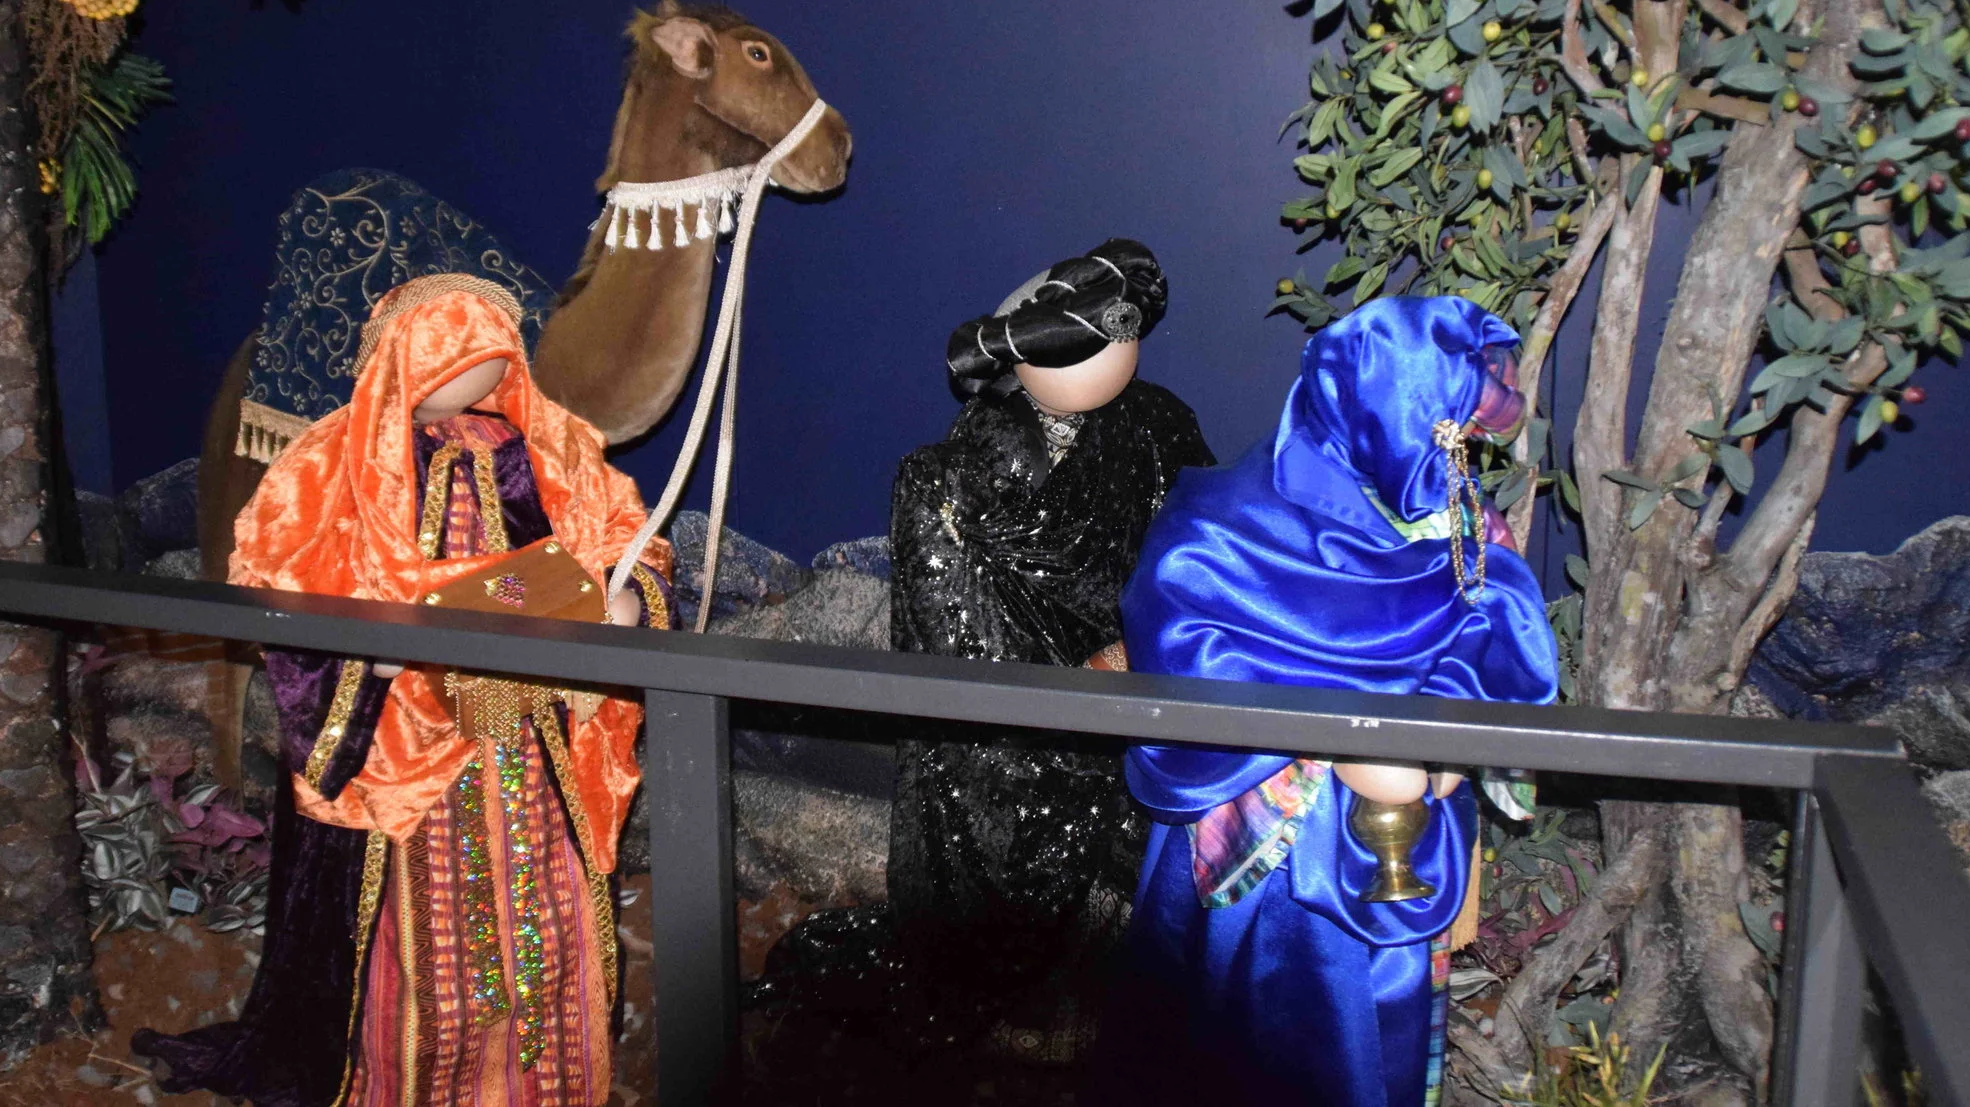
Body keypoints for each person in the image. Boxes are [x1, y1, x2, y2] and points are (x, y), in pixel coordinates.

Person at [136, 273, 674, 1107]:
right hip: (405, 757)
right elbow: (279, 571)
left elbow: (626, 537)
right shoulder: (336, 460)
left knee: (544, 917)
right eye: (446, 345)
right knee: (421, 937)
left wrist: (627, 594)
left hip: (530, 739)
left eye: (482, 344)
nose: (467, 361)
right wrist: (364, 653)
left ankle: (542, 1085)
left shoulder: (549, 445)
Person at [1092, 294, 1558, 1107]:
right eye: (1436, 436)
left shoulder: (1456, 519)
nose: (1452, 463)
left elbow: (1496, 627)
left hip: (1397, 855)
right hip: (1259, 855)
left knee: (1375, 1038)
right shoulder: (1223, 525)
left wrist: (1438, 743)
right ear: (1368, 415)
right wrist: (1329, 731)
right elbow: (1183, 632)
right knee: (1234, 1047)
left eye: (1462, 439)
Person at [761, 238, 1211, 1063]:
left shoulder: (1159, 428)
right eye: (1079, 343)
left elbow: (1205, 561)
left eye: (1123, 333)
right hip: (998, 737)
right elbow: (953, 652)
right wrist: (1062, 706)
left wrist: (1138, 649)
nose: (1110, 352)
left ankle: (1095, 1003)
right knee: (1008, 830)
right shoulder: (947, 478)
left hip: (1132, 705)